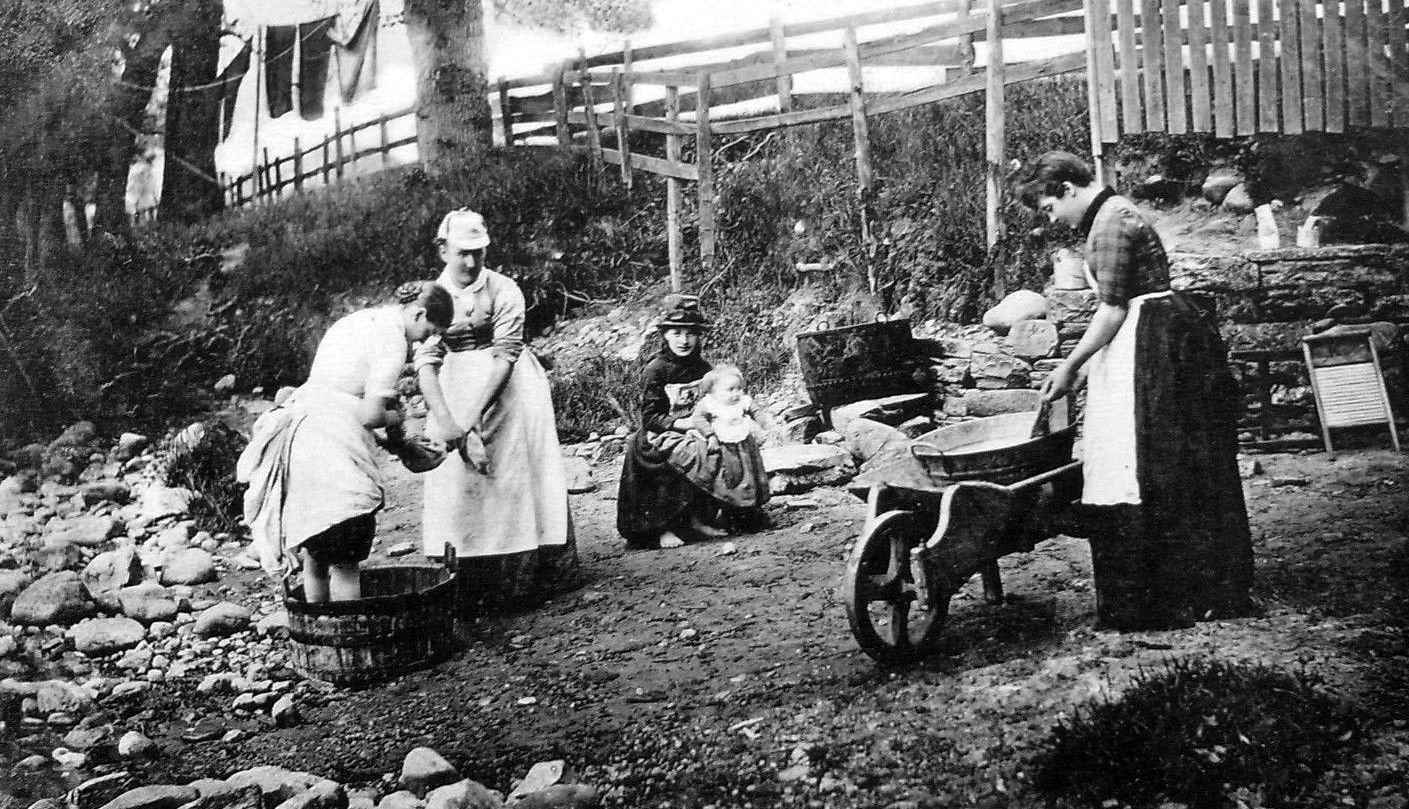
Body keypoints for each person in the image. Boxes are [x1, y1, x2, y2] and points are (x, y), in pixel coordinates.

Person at [1018, 150, 1254, 630]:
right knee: (1155, 461)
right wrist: (1088, 368)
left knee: (1151, 461)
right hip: (1141, 341)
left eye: (1048, 208)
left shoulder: (1111, 222)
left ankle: (1175, 593)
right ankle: (1183, 587)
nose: (1052, 218)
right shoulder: (1109, 215)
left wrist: (1069, 366)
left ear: (1067, 188)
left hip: (1153, 344)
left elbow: (1112, 310)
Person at [238, 281, 453, 602]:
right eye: (430, 332)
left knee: (317, 552)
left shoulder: (362, 319)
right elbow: (369, 415)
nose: (425, 341)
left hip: (304, 434)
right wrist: (398, 419)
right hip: (335, 444)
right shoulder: (392, 342)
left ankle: (318, 629)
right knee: (345, 557)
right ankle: (347, 634)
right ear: (419, 314)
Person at [415, 208, 579, 613]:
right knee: (458, 477)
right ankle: (467, 578)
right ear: (442, 250)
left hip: (507, 383)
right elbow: (425, 363)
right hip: (453, 383)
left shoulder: (505, 289)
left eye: (479, 253)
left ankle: (525, 571)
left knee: (514, 469)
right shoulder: (432, 296)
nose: (470, 263)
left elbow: (506, 355)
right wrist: (454, 427)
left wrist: (472, 421)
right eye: (461, 253)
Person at [617, 296, 770, 550]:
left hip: (701, 427)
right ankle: (664, 527)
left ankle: (713, 514)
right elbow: (650, 418)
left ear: (699, 337)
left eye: (690, 334)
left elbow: (716, 402)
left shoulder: (703, 369)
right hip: (662, 432)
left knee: (735, 446)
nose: (683, 341)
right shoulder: (656, 369)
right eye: (676, 333)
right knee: (689, 452)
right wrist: (685, 424)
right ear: (665, 335)